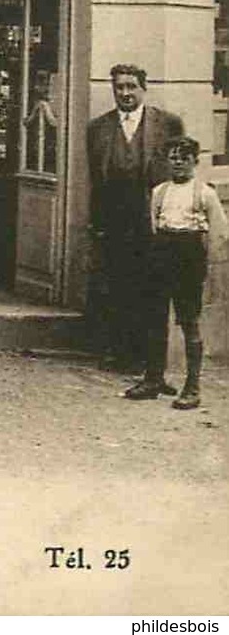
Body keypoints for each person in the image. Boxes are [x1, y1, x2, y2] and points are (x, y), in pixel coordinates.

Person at [87, 64, 184, 372]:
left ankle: (150, 359)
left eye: (131, 87)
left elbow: (178, 174)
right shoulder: (97, 128)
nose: (125, 93)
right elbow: (94, 179)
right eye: (119, 88)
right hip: (115, 220)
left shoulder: (168, 124)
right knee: (116, 287)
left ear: (144, 88)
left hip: (152, 222)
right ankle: (120, 353)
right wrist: (97, 224)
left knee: (152, 290)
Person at [128, 135, 226, 409]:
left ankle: (192, 387)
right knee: (154, 317)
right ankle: (153, 379)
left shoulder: (204, 193)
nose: (179, 164)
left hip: (189, 259)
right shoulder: (159, 191)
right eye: (174, 158)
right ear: (167, 161)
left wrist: (204, 268)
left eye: (184, 159)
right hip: (161, 255)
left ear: (195, 162)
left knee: (189, 321)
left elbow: (219, 234)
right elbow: (153, 224)